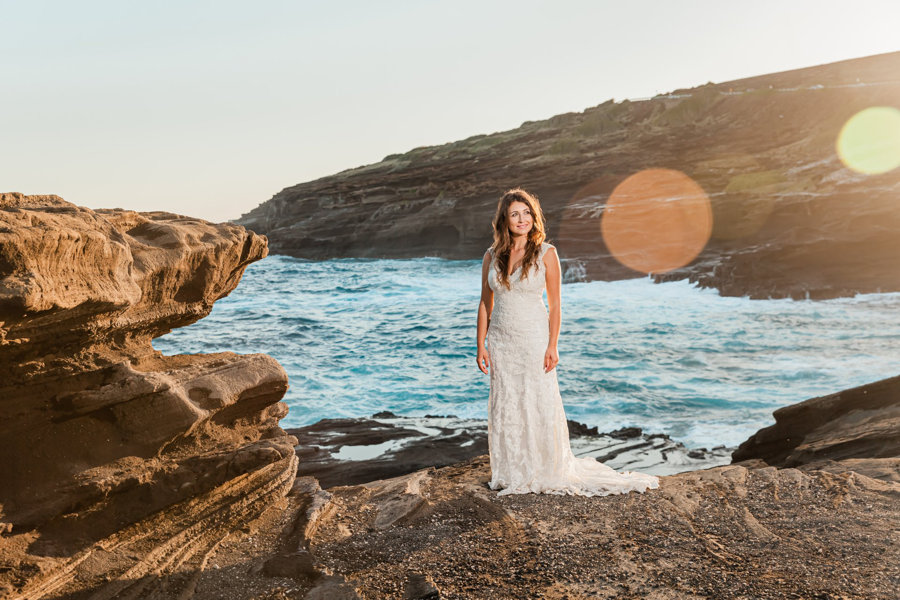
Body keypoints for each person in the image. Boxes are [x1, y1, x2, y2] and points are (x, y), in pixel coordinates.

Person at [476, 188, 660, 497]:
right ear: (504, 221)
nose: (522, 219)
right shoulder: (491, 256)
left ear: (534, 217)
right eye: (515, 214)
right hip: (501, 342)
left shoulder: (546, 253)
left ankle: (543, 470)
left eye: (527, 213)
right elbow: (485, 303)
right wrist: (480, 344)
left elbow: (556, 304)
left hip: (534, 340)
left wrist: (553, 345)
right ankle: (511, 471)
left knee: (538, 402)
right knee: (507, 405)